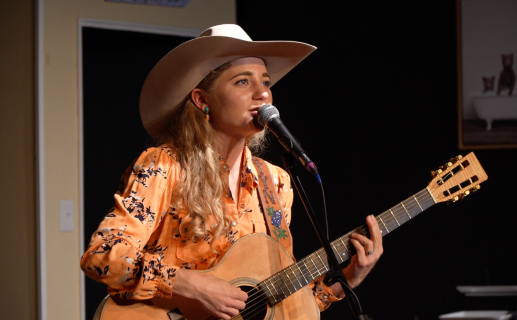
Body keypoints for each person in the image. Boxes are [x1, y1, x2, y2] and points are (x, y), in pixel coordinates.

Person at [81, 24, 383, 320]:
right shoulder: (165, 165)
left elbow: (278, 307)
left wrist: (344, 280)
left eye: (265, 82)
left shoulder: (276, 182)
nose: (262, 94)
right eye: (242, 82)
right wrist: (190, 285)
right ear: (202, 100)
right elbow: (102, 256)